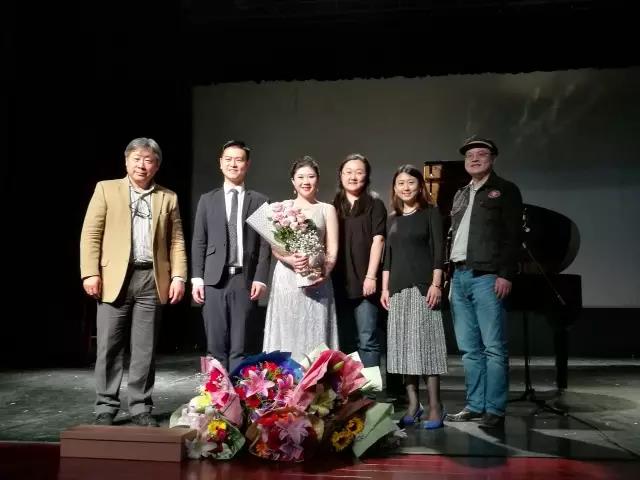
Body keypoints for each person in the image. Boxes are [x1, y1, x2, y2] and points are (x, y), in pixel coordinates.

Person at [80, 137, 187, 427]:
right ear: (126, 161)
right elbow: (91, 233)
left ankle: (141, 406)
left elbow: (176, 240)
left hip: (151, 278)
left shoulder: (168, 197)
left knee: (145, 348)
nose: (142, 165)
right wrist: (90, 272)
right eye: (136, 159)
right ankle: (106, 405)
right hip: (114, 278)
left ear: (156, 166)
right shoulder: (106, 189)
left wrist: (178, 276)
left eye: (148, 160)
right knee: (109, 346)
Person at [445, 136, 523, 429]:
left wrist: (506, 273)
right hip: (459, 275)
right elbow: (453, 236)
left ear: (492, 158)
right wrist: (449, 276)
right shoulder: (460, 193)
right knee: (469, 349)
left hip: (488, 276)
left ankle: (495, 409)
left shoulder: (505, 190)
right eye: (470, 155)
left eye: (481, 154)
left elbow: (513, 236)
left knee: (494, 348)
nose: (474, 159)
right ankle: (475, 405)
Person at [191, 140, 271, 372]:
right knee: (215, 345)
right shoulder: (208, 200)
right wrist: (197, 279)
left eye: (239, 160)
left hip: (244, 279)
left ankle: (240, 392)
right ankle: (217, 392)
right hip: (213, 280)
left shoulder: (259, 201)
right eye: (228, 159)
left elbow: (265, 244)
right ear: (220, 163)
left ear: (247, 164)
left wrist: (261, 278)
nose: (233, 164)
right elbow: (199, 241)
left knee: (241, 345)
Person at [381, 165, 447, 429]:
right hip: (397, 289)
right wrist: (385, 289)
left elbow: (439, 250)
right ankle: (413, 405)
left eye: (410, 182)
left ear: (420, 186)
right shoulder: (392, 218)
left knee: (428, 348)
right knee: (403, 349)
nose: (405, 187)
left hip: (423, 287)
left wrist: (436, 284)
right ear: (395, 188)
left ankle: (435, 407)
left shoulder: (430, 213)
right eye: (400, 183)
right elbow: (388, 258)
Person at [263, 156, 339, 360]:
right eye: (301, 177)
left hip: (317, 279)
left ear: (318, 179)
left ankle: (317, 377)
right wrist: (290, 260)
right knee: (287, 330)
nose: (306, 181)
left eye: (311, 176)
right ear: (293, 181)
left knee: (315, 332)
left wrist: (324, 273)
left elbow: (332, 248)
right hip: (287, 279)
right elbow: (275, 247)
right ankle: (286, 377)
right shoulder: (280, 208)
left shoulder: (327, 209)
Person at [332, 153, 386, 368]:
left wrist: (371, 276)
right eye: (348, 172)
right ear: (340, 175)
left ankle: (371, 388)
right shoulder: (333, 206)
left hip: (366, 283)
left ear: (367, 176)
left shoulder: (375, 204)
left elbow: (378, 240)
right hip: (339, 282)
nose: (353, 177)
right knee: (344, 342)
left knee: (367, 340)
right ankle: (349, 389)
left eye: (359, 172)